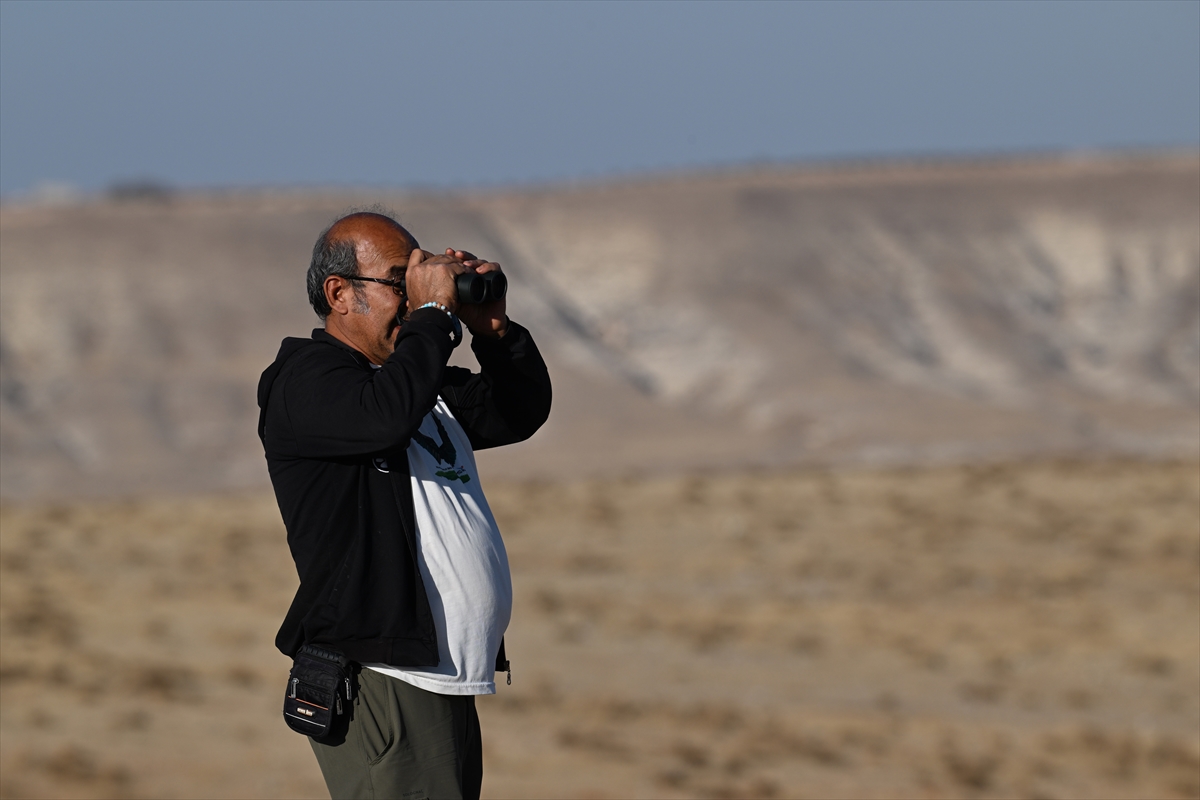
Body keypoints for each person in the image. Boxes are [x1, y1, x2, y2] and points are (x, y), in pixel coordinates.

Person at [257, 210, 552, 799]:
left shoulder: (415, 383)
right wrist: (437, 318)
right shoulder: (306, 379)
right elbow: (383, 418)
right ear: (339, 293)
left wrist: (492, 329)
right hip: (384, 677)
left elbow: (518, 413)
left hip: (438, 675)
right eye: (402, 283)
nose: (418, 298)